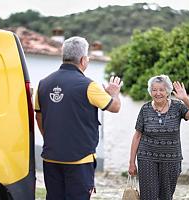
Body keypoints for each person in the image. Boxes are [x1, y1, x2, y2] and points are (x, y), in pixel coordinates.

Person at [35, 36, 123, 200]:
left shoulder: (43, 84)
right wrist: (113, 94)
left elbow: (38, 116)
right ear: (83, 60)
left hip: (51, 157)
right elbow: (115, 107)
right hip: (80, 160)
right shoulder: (89, 86)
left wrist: (51, 139)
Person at [128, 75, 189, 200]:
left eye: (161, 90)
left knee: (166, 196)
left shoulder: (178, 107)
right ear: (150, 91)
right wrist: (131, 163)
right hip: (147, 157)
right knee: (148, 196)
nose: (157, 93)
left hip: (171, 159)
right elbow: (137, 136)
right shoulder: (145, 109)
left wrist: (185, 99)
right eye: (154, 90)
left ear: (167, 91)